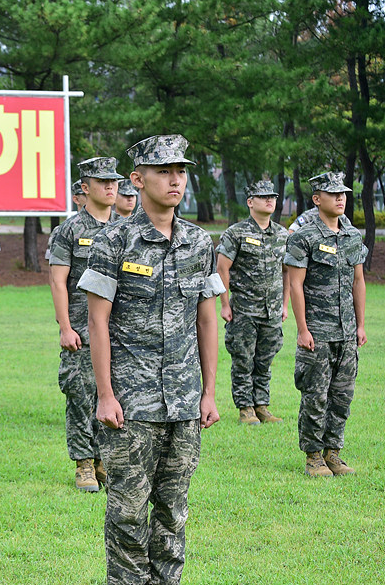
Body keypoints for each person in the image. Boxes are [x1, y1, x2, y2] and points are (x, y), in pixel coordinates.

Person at [79, 135, 223, 584]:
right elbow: (96, 323)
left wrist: (209, 393)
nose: (175, 179)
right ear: (138, 180)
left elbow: (206, 319)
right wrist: (105, 395)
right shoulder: (113, 240)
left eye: (181, 171)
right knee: (127, 512)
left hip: (183, 402)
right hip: (130, 405)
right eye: (164, 171)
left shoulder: (200, 243)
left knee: (174, 512)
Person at [284, 171, 366, 477]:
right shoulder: (304, 237)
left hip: (345, 333)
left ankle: (334, 453)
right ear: (317, 199)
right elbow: (295, 285)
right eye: (333, 194)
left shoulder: (353, 236)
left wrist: (359, 325)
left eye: (343, 193)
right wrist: (303, 329)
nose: (341, 198)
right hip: (317, 332)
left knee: (342, 396)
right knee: (315, 396)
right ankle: (314, 457)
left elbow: (359, 281)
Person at [49, 157, 122, 492]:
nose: (110, 187)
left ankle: (104, 460)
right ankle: (83, 465)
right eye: (102, 181)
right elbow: (57, 281)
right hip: (81, 327)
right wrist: (65, 326)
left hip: (119, 330)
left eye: (114, 182)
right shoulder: (69, 231)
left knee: (116, 395)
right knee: (81, 394)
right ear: (85, 187)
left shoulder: (127, 228)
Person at [216, 179, 289, 425]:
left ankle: (262, 405)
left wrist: (285, 304)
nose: (269, 200)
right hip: (244, 310)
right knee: (243, 358)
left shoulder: (281, 234)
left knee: (265, 359)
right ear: (250, 202)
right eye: (263, 197)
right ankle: (245, 407)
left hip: (272, 310)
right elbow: (222, 268)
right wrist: (225, 304)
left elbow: (287, 271)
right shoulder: (236, 233)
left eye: (273, 197)